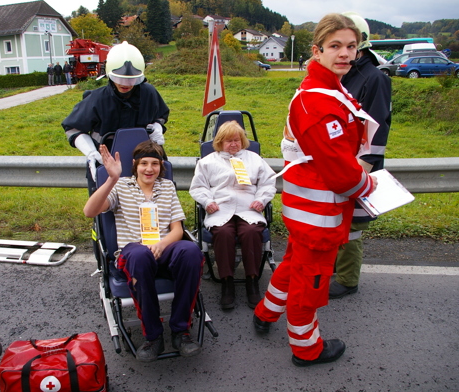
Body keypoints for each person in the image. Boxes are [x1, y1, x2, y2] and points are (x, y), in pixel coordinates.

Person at [252, 13, 378, 367]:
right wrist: (370, 184)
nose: (345, 54)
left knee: (293, 265)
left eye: (351, 46)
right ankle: (307, 349)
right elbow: (341, 173)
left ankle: (266, 313)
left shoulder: (325, 89)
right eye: (335, 46)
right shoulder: (319, 102)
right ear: (317, 50)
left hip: (306, 210)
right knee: (310, 284)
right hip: (319, 216)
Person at [83, 140, 204, 362]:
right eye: (144, 163)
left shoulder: (166, 186)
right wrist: (111, 178)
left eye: (155, 164)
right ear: (135, 165)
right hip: (134, 252)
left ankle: (181, 331)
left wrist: (161, 244)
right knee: (140, 255)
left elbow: (177, 229)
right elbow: (90, 211)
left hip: (164, 248)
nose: (149, 169)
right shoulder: (120, 186)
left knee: (191, 251)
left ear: (161, 166)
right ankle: (153, 336)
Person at [330, 12, 392, 300]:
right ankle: (335, 269)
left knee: (352, 226)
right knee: (336, 221)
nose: (342, 51)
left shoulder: (374, 78)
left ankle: (347, 279)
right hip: (341, 162)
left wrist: (360, 170)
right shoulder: (347, 76)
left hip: (359, 166)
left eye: (349, 45)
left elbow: (378, 127)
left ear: (360, 45)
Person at [189, 120, 276, 310]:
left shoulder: (254, 159)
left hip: (248, 208)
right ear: (220, 142)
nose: (233, 144)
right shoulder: (208, 162)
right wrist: (207, 202)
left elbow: (268, 183)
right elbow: (198, 187)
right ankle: (227, 282)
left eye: (237, 140)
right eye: (228, 141)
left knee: (252, 232)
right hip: (220, 209)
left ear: (242, 141)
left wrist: (261, 199)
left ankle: (252, 280)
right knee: (224, 234)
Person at [61, 41, 169, 188]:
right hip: (106, 166)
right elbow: (72, 128)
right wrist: (91, 153)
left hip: (144, 166)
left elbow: (161, 115)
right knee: (105, 209)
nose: (125, 84)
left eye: (132, 80)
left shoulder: (149, 94)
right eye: (120, 79)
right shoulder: (97, 99)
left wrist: (157, 126)